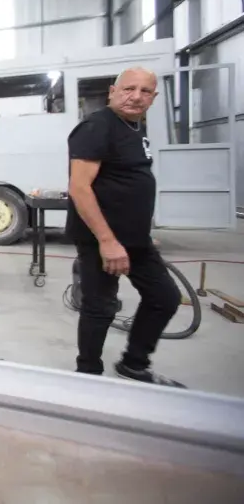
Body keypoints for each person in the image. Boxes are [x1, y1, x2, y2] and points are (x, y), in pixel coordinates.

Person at [66, 67, 184, 387]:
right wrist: (107, 240)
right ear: (112, 91)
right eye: (129, 88)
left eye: (145, 91)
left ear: (154, 97)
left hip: (135, 239)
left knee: (164, 298)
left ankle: (134, 364)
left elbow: (126, 182)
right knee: (100, 307)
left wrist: (139, 232)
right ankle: (88, 376)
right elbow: (80, 188)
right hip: (102, 239)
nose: (136, 96)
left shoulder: (133, 127)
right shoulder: (97, 127)